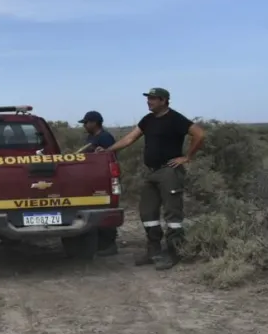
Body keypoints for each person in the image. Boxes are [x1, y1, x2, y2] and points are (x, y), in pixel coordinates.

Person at [105, 88, 205, 270]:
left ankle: (175, 253)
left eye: (152, 99)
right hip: (151, 172)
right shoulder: (148, 120)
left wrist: (187, 157)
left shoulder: (175, 118)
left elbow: (199, 134)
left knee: (172, 215)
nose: (149, 102)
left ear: (164, 100)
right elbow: (129, 138)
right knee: (147, 212)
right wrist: (108, 151)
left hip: (169, 172)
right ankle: (153, 251)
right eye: (148, 99)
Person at [76, 111, 119, 256]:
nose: (85, 126)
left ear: (94, 123)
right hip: (90, 178)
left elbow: (112, 157)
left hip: (104, 178)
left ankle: (109, 245)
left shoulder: (105, 137)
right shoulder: (90, 137)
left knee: (105, 209)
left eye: (86, 123)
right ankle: (97, 244)